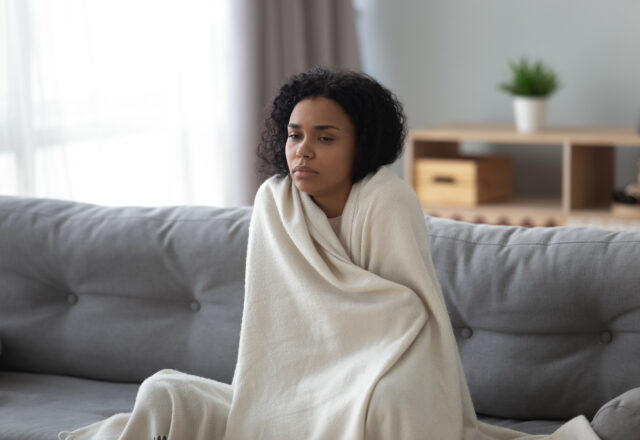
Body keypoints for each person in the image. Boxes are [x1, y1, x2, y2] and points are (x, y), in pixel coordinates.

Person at [60, 67, 600, 440]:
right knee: (166, 392)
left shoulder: (386, 199)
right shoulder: (276, 202)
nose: (303, 151)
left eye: (325, 137)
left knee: (388, 407)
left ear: (360, 143)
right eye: (295, 136)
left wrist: (360, 351)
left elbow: (409, 313)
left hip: (395, 364)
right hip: (299, 379)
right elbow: (279, 323)